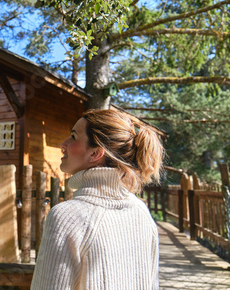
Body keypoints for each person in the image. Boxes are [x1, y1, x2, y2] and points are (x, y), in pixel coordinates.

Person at [30, 108, 165, 290]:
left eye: (73, 136)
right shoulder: (141, 213)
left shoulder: (66, 217)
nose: (63, 144)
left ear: (95, 153)